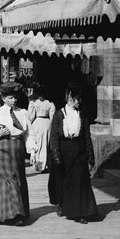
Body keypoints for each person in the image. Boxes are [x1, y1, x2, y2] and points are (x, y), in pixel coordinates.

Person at [0, 82, 36, 226]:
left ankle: (10, 213)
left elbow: (28, 133)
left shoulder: (22, 113)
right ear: (3, 97)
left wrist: (32, 151)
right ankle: (15, 214)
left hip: (17, 147)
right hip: (1, 147)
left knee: (18, 178)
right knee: (9, 179)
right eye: (11, 98)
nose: (14, 100)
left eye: (15, 98)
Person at [48, 85, 97, 224]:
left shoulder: (82, 115)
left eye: (79, 99)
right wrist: (56, 154)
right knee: (63, 180)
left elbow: (86, 136)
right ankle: (63, 205)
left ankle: (80, 212)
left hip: (78, 149)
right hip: (64, 150)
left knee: (79, 181)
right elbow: (54, 136)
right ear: (70, 98)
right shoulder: (59, 114)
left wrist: (90, 155)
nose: (79, 102)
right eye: (76, 99)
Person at [27, 84, 55, 173]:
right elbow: (52, 116)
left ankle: (39, 165)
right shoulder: (50, 103)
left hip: (38, 122)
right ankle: (45, 164)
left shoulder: (34, 102)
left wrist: (29, 124)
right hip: (47, 123)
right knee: (46, 144)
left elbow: (30, 116)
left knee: (38, 144)